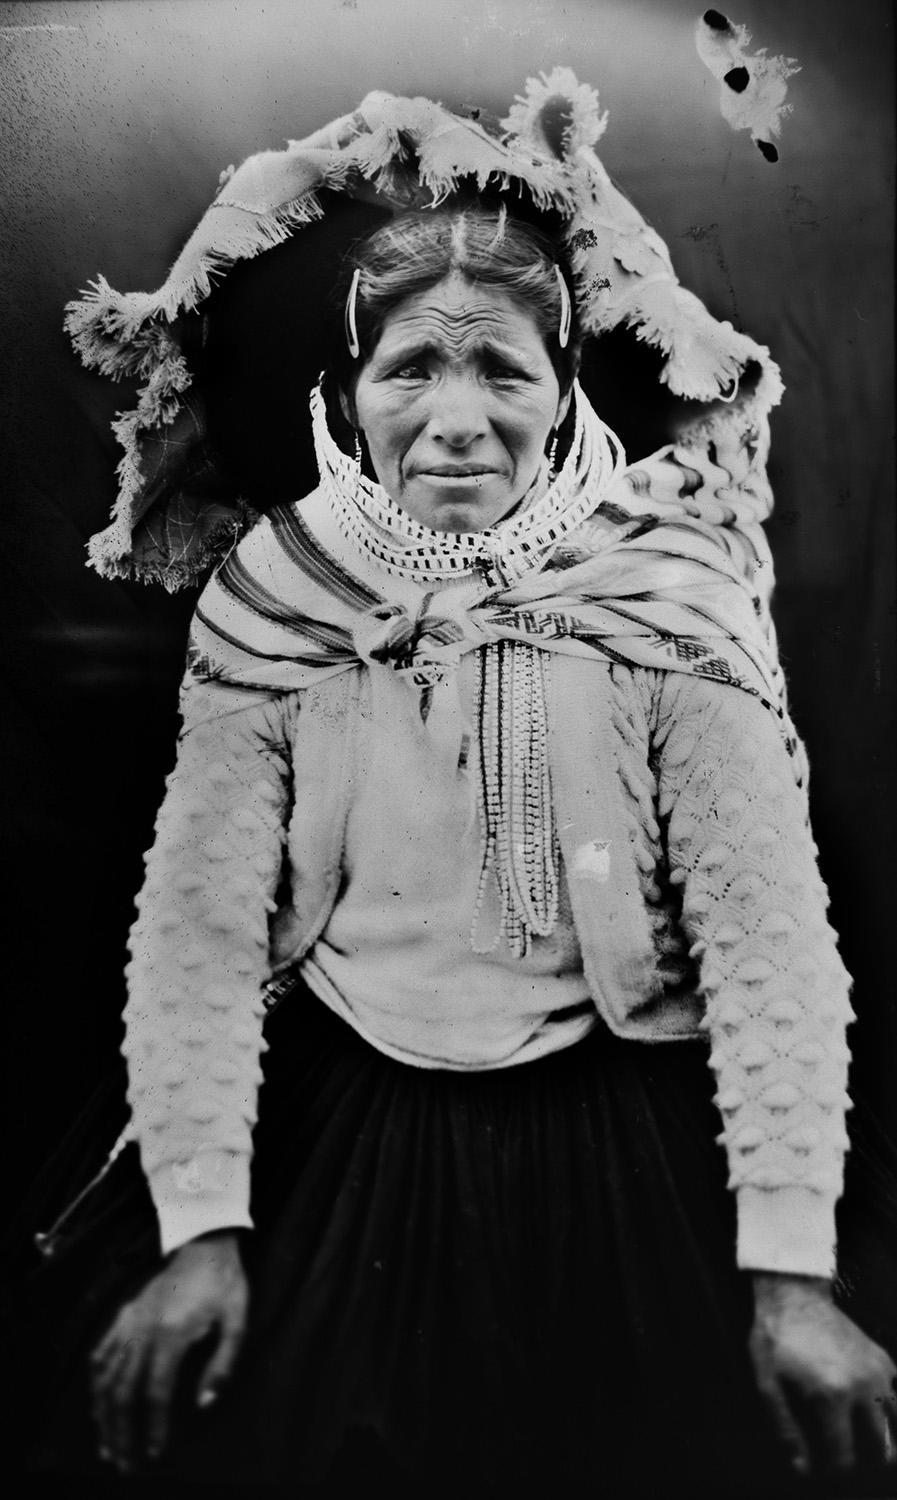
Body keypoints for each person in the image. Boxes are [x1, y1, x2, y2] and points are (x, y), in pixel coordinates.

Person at [17, 74, 897, 1497]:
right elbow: (199, 930)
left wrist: (790, 1270)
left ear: (557, 403)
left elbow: (765, 937)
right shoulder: (277, 599)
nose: (455, 416)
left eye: (501, 370)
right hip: (343, 1111)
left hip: (621, 1125)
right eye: (410, 366)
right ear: (345, 394)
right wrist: (201, 1229)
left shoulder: (660, 585)